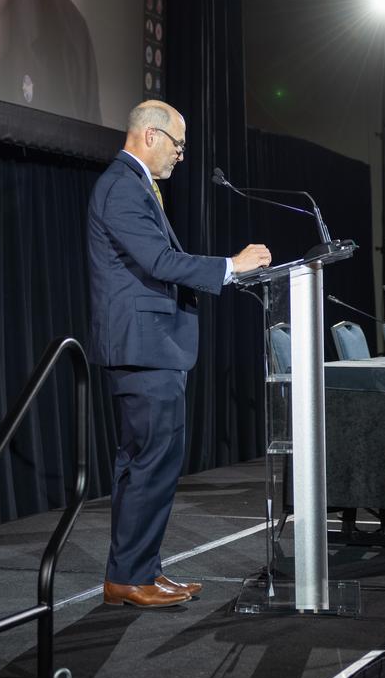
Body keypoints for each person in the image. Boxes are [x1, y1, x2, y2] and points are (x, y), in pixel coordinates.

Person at [88, 100, 272, 608]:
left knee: (151, 464)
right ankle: (129, 578)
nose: (181, 156)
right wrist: (230, 266)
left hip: (153, 348)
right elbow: (158, 260)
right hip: (143, 350)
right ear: (150, 136)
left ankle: (141, 570)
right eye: (178, 144)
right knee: (149, 463)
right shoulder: (123, 186)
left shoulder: (134, 185)